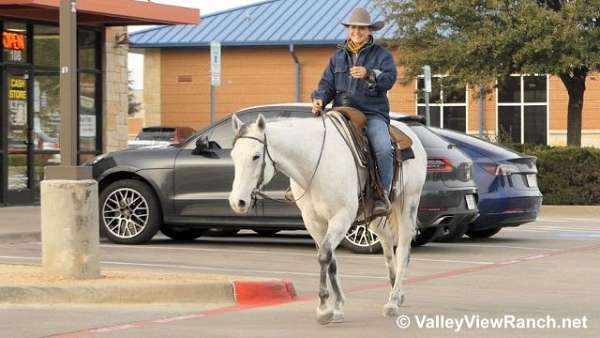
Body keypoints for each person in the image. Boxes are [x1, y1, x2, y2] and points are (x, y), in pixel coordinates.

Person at [311, 7, 398, 215]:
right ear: (348, 29)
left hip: (372, 114)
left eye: (361, 28)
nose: (356, 31)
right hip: (340, 113)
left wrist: (370, 74)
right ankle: (307, 189)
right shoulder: (337, 57)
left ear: (369, 31)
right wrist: (319, 100)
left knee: (384, 149)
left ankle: (382, 196)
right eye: (353, 27)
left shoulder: (381, 55)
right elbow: (326, 86)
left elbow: (390, 80)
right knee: (314, 142)